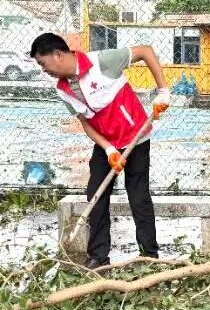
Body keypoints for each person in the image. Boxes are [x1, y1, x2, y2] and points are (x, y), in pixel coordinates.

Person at [29, 33, 169, 269]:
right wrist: (108, 148)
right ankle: (98, 255)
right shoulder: (63, 89)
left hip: (136, 137)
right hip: (107, 144)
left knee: (138, 196)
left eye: (43, 63)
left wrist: (163, 90)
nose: (44, 70)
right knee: (96, 193)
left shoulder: (101, 62)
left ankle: (149, 254)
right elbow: (85, 122)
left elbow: (146, 50)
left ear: (58, 54)